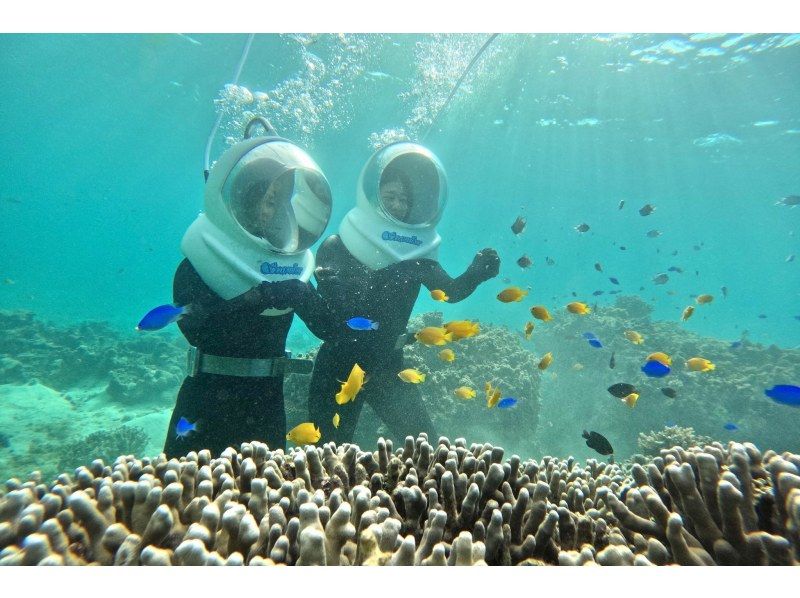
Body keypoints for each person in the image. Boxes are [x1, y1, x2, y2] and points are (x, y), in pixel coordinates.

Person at [307, 142, 500, 445]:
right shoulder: (338, 244)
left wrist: (476, 274)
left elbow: (449, 292)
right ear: (372, 199)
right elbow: (340, 307)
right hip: (338, 364)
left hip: (389, 363)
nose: (397, 205)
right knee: (326, 458)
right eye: (389, 197)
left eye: (404, 199)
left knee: (428, 451)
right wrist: (396, 272)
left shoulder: (417, 256)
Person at [164, 120, 336, 458]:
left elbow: (329, 329)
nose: (268, 210)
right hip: (205, 401)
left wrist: (317, 294)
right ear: (242, 197)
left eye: (278, 201)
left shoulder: (292, 262)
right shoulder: (201, 257)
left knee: (268, 505)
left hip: (268, 402)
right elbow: (194, 329)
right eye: (263, 198)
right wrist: (260, 297)